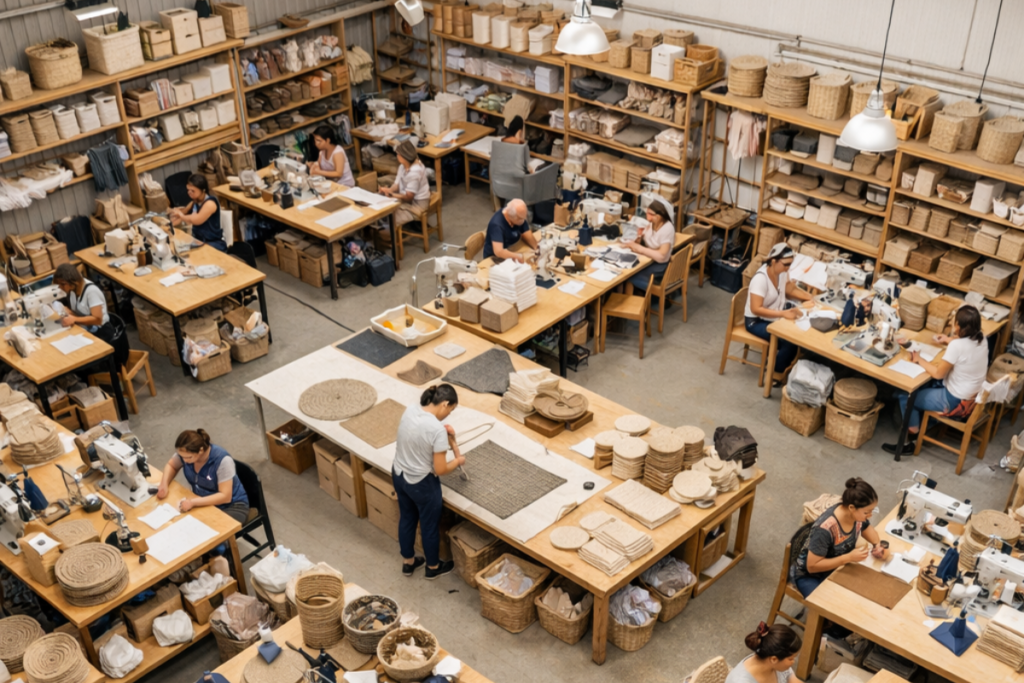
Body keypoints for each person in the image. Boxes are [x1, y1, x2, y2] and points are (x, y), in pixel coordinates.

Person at [884, 305, 989, 455]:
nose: (952, 323)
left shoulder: (957, 346)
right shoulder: (982, 338)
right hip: (971, 397)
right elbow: (964, 344)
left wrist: (919, 359)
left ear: (959, 326)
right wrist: (948, 339)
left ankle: (911, 439)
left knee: (906, 395)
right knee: (923, 384)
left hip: (954, 401)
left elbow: (938, 374)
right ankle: (925, 421)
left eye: (955, 322)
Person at [392, 384, 466, 579]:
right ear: (445, 404)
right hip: (421, 484)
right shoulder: (437, 430)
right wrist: (458, 460)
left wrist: (443, 435)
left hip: (399, 474)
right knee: (429, 525)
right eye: (451, 410)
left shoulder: (411, 410)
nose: (449, 414)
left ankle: (408, 562)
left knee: (407, 517)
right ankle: (432, 567)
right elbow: (440, 469)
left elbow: (420, 433)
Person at [790, 478, 884, 597]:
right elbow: (812, 566)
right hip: (809, 576)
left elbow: (866, 528)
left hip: (837, 567)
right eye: (866, 512)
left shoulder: (855, 515)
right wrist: (848, 558)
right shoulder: (825, 529)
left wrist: (877, 544)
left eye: (872, 511)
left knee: (867, 589)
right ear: (851, 508)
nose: (869, 515)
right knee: (831, 603)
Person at [744, 243, 814, 375]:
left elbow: (789, 290)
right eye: (785, 264)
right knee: (789, 341)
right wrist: (783, 314)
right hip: (755, 321)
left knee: (801, 323)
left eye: (790, 264)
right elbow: (755, 309)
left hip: (774, 311)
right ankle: (776, 372)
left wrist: (810, 298)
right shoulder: (760, 279)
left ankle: (787, 363)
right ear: (773, 261)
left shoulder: (781, 273)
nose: (788, 268)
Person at [157, 429, 250, 524]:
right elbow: (172, 465)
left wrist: (193, 502)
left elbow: (225, 496)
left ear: (200, 450)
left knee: (208, 530)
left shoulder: (222, 461)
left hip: (231, 506)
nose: (184, 461)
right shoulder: (186, 454)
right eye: (182, 457)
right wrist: (164, 484)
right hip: (203, 501)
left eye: (188, 457)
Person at [624, 198, 675, 292]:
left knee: (629, 275)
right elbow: (646, 241)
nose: (647, 216)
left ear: (659, 216)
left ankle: (642, 298)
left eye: (651, 214)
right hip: (650, 259)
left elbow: (662, 256)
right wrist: (639, 238)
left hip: (659, 265)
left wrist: (640, 249)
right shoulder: (652, 224)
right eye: (647, 213)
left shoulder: (667, 228)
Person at [725, 622, 803, 683]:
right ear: (774, 659)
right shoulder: (740, 681)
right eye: (791, 658)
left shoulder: (773, 655)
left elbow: (791, 677)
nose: (793, 661)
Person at [169, 174, 225, 252]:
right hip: (198, 240)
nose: (189, 193)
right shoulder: (194, 202)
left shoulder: (210, 204)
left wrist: (181, 216)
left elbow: (197, 220)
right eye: (188, 190)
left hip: (213, 243)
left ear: (203, 190)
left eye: (193, 191)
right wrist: (174, 216)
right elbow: (185, 211)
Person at [380, 140, 430, 227]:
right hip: (406, 197)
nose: (397, 156)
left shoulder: (415, 172)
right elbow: (397, 184)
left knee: (391, 220)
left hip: (417, 204)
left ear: (403, 156)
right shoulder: (402, 167)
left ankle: (391, 232)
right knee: (382, 205)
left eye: (398, 154)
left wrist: (392, 195)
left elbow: (409, 197)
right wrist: (389, 190)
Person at [54, 263, 109, 333]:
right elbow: (77, 313)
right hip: (84, 327)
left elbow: (98, 320)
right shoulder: (72, 290)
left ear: (73, 281)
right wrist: (68, 312)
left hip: (101, 331)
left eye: (63, 284)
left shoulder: (92, 291)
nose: (60, 287)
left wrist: (74, 318)